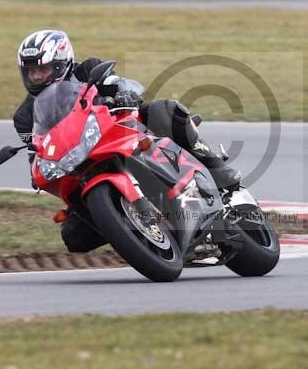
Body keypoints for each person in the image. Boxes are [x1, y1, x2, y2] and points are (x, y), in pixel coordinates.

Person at [13, 29, 242, 253]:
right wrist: (38, 169)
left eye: (42, 69)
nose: (36, 76)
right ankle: (135, 234)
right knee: (73, 236)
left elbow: (124, 83)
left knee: (164, 110)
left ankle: (215, 167)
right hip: (81, 163)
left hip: (123, 130)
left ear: (62, 62)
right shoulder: (24, 116)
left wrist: (124, 93)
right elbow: (37, 149)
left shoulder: (88, 69)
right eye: (31, 71)